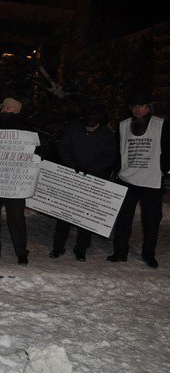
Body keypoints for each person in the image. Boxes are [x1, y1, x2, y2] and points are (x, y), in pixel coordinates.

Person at [107, 92, 170, 268]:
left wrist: (163, 169)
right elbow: (119, 151)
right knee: (123, 219)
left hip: (151, 181)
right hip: (127, 179)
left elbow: (168, 150)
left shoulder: (161, 124)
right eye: (134, 106)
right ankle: (120, 252)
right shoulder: (123, 125)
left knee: (151, 221)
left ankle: (149, 254)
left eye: (140, 106)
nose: (137, 109)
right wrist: (116, 170)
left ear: (148, 107)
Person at [49, 104, 117, 261]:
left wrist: (94, 168)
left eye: (94, 119)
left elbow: (110, 155)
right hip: (72, 176)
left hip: (94, 179)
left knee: (86, 216)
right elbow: (63, 147)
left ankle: (81, 248)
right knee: (64, 213)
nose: (90, 122)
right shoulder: (74, 129)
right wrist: (73, 164)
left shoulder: (107, 134)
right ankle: (58, 247)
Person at [0, 97, 30, 265]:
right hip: (1, 180)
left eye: (5, 108)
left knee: (8, 218)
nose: (2, 110)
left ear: (11, 109)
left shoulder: (20, 129)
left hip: (10, 181)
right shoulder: (24, 127)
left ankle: (8, 251)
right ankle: (16, 252)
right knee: (7, 218)